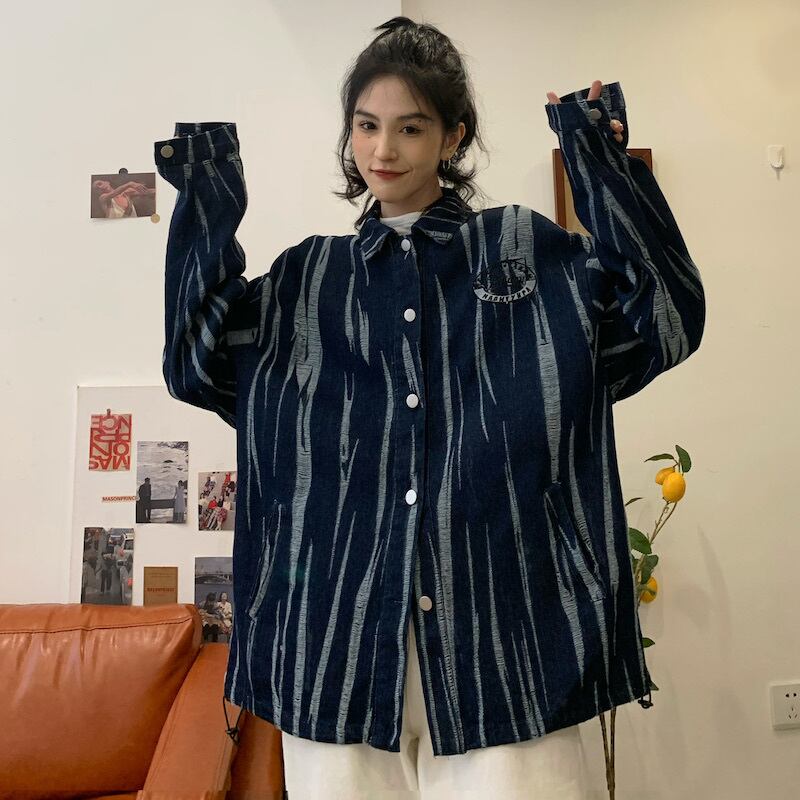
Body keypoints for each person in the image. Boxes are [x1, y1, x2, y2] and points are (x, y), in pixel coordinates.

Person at [154, 16, 705, 799]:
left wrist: (600, 161)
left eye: (410, 128)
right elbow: (195, 363)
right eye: (366, 125)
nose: (383, 149)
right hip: (336, 662)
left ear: (453, 137)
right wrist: (207, 188)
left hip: (511, 659)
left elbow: (666, 319)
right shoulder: (308, 282)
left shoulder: (524, 251)